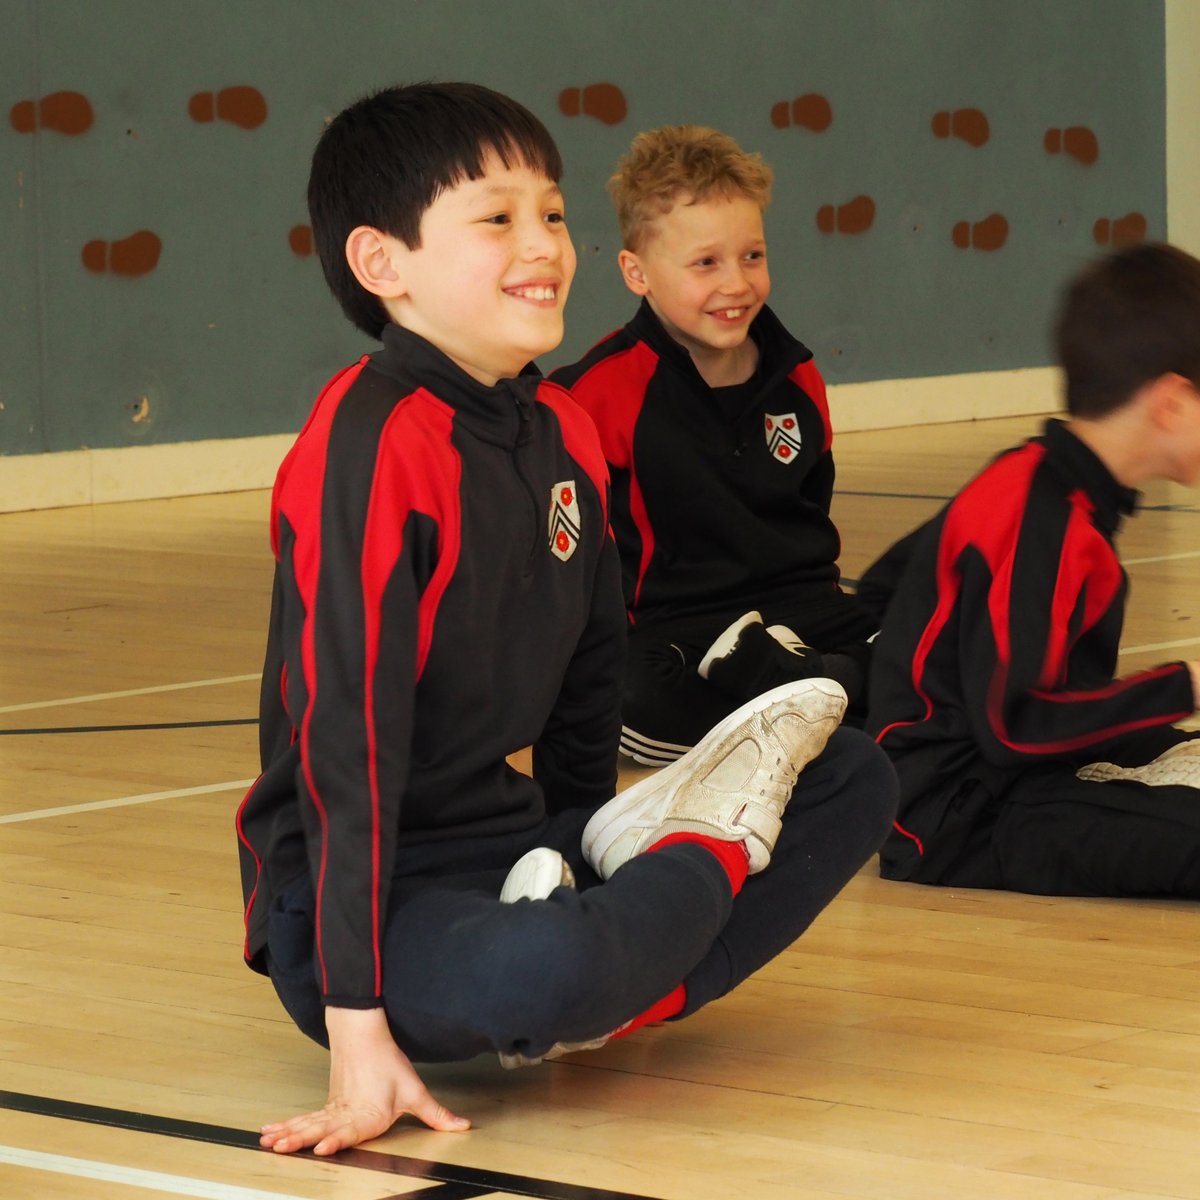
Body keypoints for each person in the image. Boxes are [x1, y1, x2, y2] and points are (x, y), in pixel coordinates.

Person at [235, 83, 898, 1156]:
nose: (543, 243)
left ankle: (617, 943)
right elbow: (342, 754)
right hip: (361, 907)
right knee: (548, 971)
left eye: (550, 213)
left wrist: (592, 846)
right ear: (382, 265)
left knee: (857, 774)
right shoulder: (366, 448)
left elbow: (590, 684)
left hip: (518, 845)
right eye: (497, 218)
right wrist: (357, 1034)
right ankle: (651, 915)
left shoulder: (563, 431)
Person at [863, 241, 1200, 896]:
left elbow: (884, 585)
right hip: (956, 817)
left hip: (1010, 777)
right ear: (1171, 403)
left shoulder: (1053, 489)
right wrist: (1181, 685)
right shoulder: (1037, 512)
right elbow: (1013, 726)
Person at [550, 125, 878, 768]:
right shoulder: (594, 394)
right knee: (622, 698)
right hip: (677, 633)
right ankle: (833, 704)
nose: (736, 283)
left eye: (751, 256)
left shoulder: (798, 376)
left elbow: (811, 510)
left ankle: (794, 684)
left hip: (804, 617)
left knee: (934, 633)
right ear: (636, 273)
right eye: (706, 263)